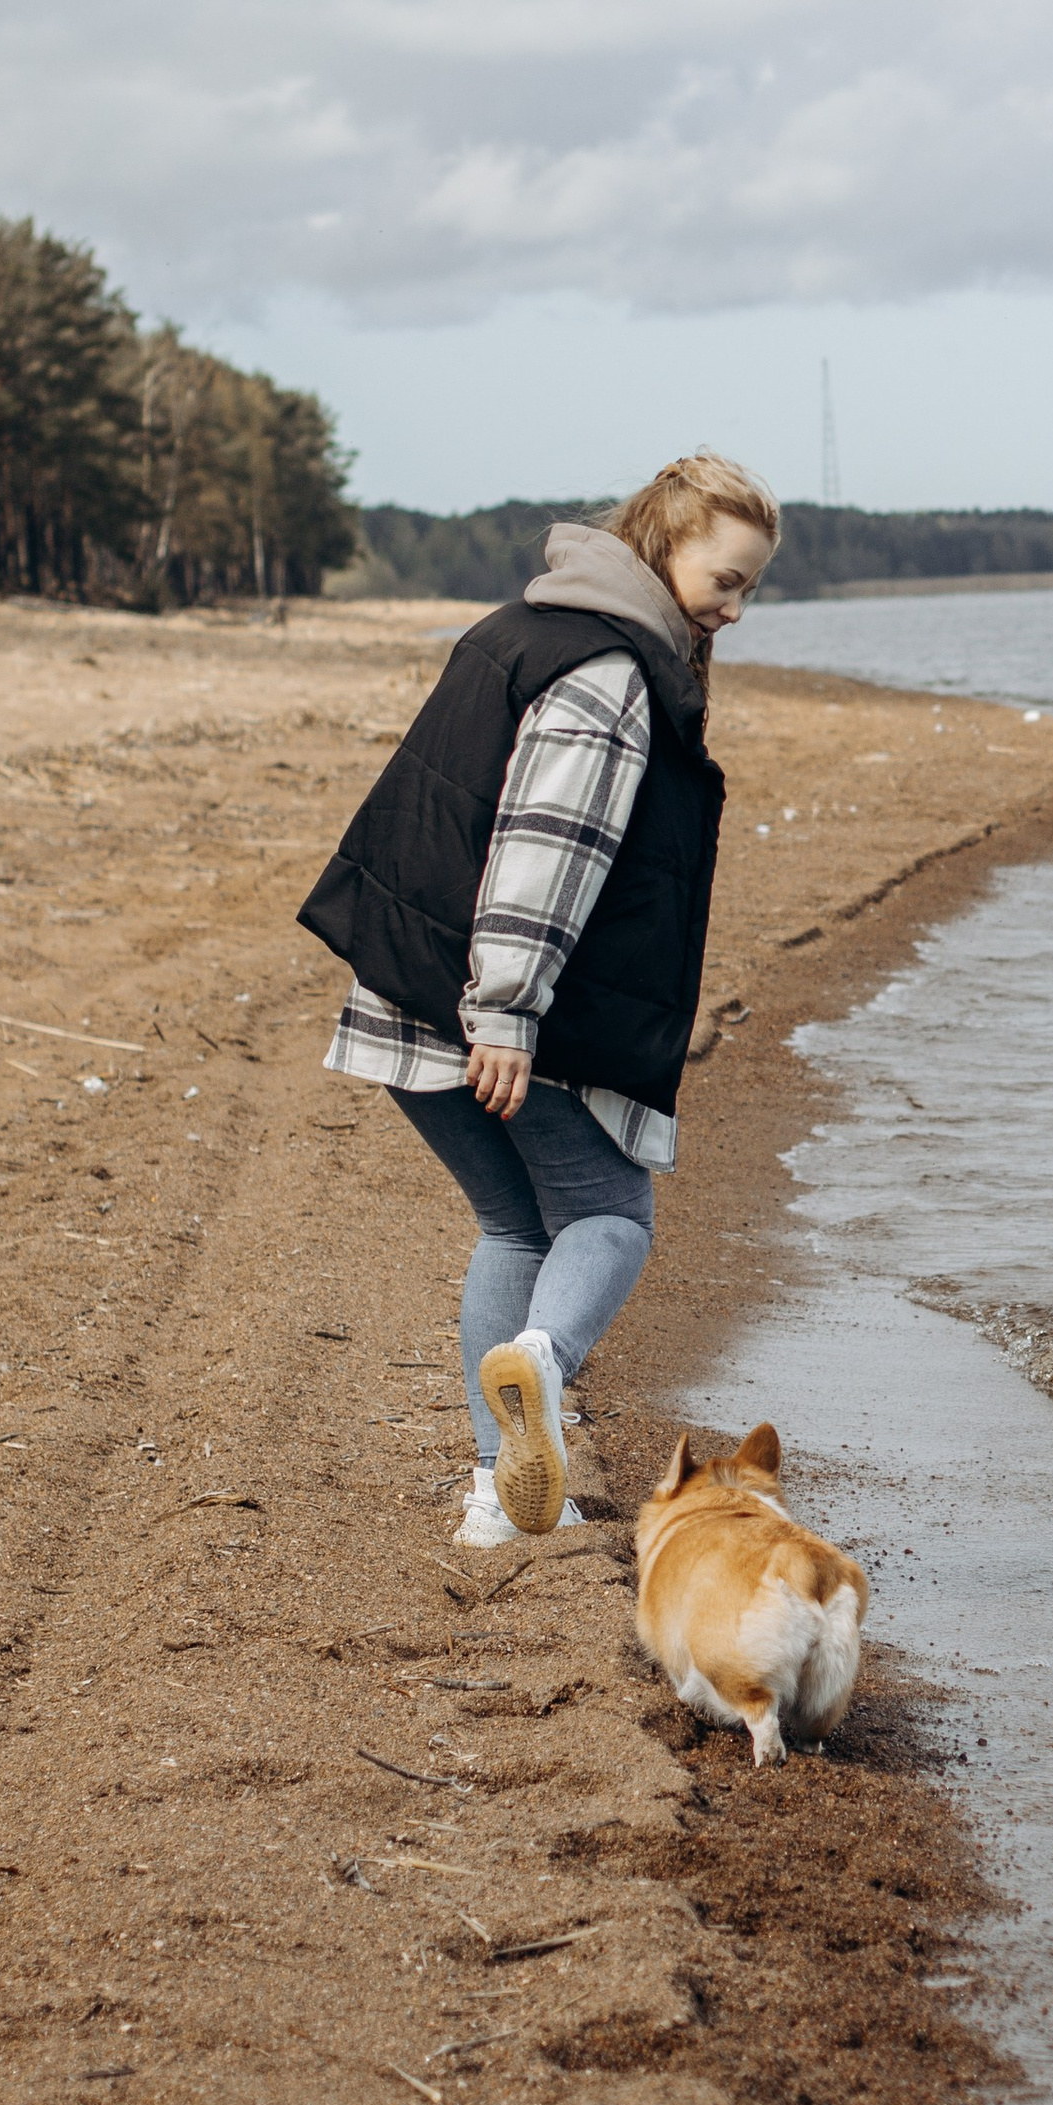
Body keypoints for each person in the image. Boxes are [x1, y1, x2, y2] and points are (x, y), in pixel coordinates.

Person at [299, 452, 779, 1553]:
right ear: (663, 544)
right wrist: (506, 1012)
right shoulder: (607, 670)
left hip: (410, 988)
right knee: (609, 1216)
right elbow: (538, 850)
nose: (736, 608)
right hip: (500, 1010)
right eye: (725, 578)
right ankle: (545, 1371)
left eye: (751, 587)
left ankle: (497, 1498)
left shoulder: (523, 627)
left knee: (514, 1222)